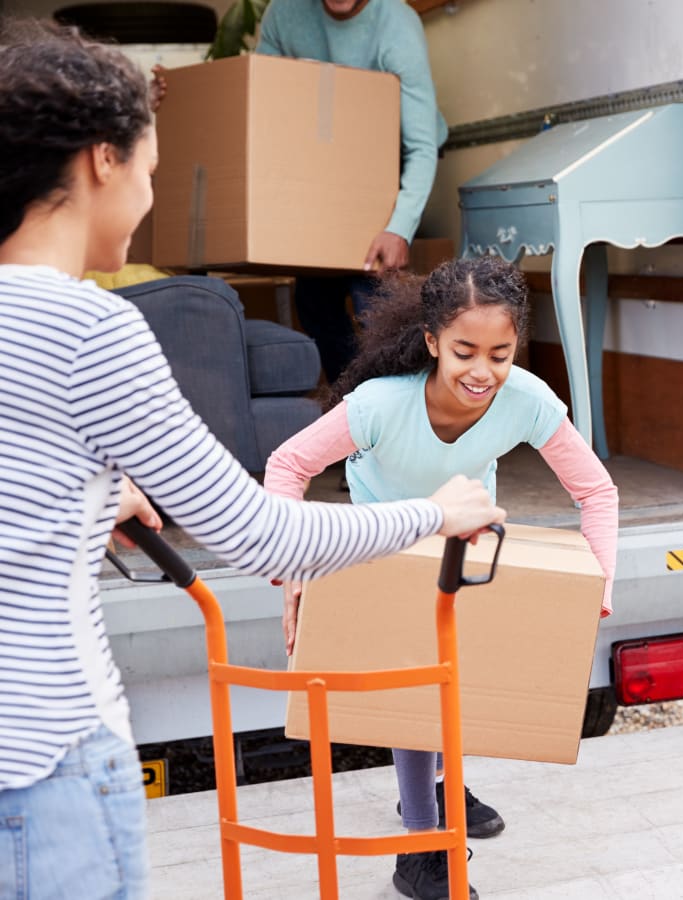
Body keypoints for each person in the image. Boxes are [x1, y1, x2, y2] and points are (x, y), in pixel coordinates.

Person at [0, 19, 506, 899]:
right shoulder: (91, 326)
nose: (154, 199)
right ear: (99, 162)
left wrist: (81, 495)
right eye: (151, 172)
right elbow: (260, 535)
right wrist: (438, 513)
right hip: (48, 762)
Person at [264, 255, 620, 900]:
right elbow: (288, 466)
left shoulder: (527, 400)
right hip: (384, 553)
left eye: (500, 353)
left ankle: (433, 783)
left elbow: (596, 492)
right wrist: (293, 571)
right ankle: (421, 847)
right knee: (413, 693)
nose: (482, 371)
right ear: (431, 342)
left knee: (457, 680)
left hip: (463, 548)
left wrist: (602, 582)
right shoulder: (378, 404)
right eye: (464, 351)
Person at [255, 0, 449, 383]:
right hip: (324, 154)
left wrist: (399, 228)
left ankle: (394, 412)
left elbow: (421, 147)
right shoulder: (284, 14)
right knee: (314, 298)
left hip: (391, 150)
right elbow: (260, 95)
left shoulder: (396, 25)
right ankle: (349, 401)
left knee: (371, 290)